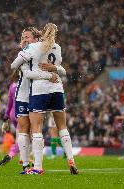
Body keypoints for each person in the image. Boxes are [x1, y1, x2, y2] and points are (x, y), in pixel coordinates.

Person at [11, 23, 78, 175]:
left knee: (35, 128)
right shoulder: (58, 47)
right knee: (62, 127)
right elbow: (62, 70)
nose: (25, 39)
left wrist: (22, 65)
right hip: (57, 89)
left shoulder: (34, 47)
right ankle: (71, 161)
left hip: (39, 90)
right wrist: (53, 70)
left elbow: (14, 65)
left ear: (40, 34)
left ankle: (37, 167)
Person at [0, 72, 19, 166]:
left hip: (13, 114)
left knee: (22, 137)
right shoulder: (26, 84)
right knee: (25, 137)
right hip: (22, 113)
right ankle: (11, 155)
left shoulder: (12, 86)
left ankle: (23, 159)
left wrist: (5, 118)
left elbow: (9, 104)